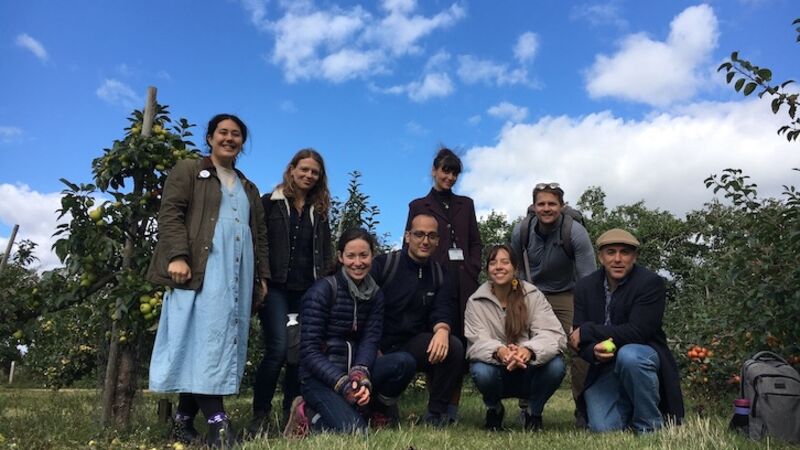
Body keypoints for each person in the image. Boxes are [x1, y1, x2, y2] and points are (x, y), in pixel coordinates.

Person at [146, 114, 269, 447]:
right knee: (203, 341)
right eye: (223, 133)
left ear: (243, 142)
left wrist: (262, 278)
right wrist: (177, 255)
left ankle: (183, 423)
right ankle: (218, 424)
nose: (229, 138)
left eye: (236, 134)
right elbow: (170, 213)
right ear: (211, 137)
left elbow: (259, 235)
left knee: (215, 343)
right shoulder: (189, 171)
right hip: (202, 268)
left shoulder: (248, 186)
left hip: (238, 274)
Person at [283, 228, 415, 437]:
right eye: (351, 256)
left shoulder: (376, 295)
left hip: (353, 372)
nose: (358, 262)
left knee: (404, 362)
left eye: (364, 255)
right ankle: (306, 414)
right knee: (356, 432)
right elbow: (308, 352)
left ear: (372, 255)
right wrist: (343, 383)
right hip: (320, 379)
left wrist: (360, 375)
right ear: (340, 257)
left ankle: (374, 410)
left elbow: (370, 340)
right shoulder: (322, 291)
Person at [249, 149, 333, 435]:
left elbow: (325, 253)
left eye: (315, 172)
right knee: (278, 349)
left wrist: (324, 286)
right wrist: (260, 279)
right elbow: (259, 243)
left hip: (307, 291)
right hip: (275, 288)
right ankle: (260, 413)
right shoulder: (269, 204)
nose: (309, 175)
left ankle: (292, 413)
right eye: (304, 169)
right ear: (292, 169)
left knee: (299, 353)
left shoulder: (319, 210)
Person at [570, 228, 684, 433]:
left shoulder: (651, 283)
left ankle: (648, 425)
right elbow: (578, 343)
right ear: (601, 257)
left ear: (634, 256)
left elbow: (638, 332)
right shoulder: (584, 287)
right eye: (611, 252)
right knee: (604, 428)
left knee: (629, 355)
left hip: (642, 355)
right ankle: (630, 409)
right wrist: (593, 351)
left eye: (625, 252)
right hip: (604, 367)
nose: (618, 259)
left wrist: (588, 330)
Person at [406, 147, 482, 421]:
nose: (449, 177)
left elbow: (475, 242)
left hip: (463, 284)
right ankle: (434, 405)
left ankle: (452, 408)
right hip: (432, 281)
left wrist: (471, 269)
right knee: (434, 342)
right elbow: (411, 244)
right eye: (445, 171)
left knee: (459, 343)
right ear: (434, 170)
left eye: (454, 173)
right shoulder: (418, 205)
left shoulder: (466, 203)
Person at [510, 182, 595, 424]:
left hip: (566, 293)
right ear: (534, 206)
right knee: (525, 343)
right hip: (530, 293)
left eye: (552, 204)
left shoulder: (575, 232)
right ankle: (526, 408)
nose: (546, 208)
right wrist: (516, 298)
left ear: (562, 206)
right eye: (541, 204)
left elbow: (587, 277)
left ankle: (583, 409)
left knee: (579, 344)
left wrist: (584, 316)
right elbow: (512, 268)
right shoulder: (522, 230)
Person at [370, 213, 465, 426]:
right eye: (419, 234)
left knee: (454, 347)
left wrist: (442, 330)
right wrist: (372, 344)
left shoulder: (440, 274)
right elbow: (364, 308)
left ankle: (436, 415)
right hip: (376, 343)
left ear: (438, 241)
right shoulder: (384, 265)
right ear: (407, 236)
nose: (425, 241)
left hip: (410, 346)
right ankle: (379, 404)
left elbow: (443, 308)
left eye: (431, 236)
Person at [465, 244, 566, 431]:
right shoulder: (475, 301)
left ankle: (533, 413)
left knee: (557, 365)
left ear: (515, 269)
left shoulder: (533, 295)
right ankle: (494, 409)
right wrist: (500, 351)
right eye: (493, 263)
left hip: (528, 368)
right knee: (480, 370)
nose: (499, 267)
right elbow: (476, 342)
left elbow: (553, 334)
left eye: (505, 262)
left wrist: (528, 350)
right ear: (488, 270)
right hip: (496, 369)